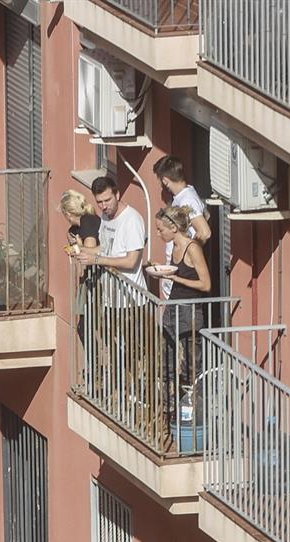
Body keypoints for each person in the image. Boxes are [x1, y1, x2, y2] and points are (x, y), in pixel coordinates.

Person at [144, 205, 212, 424]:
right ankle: (167, 411)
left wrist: (175, 279)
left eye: (160, 229)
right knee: (166, 363)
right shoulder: (174, 246)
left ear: (173, 228)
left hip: (189, 311)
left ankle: (194, 416)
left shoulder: (192, 248)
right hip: (172, 308)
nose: (158, 233)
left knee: (192, 366)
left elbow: (206, 284)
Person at [82, 175, 147, 286]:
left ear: (117, 195)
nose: (104, 206)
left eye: (107, 200)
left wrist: (96, 260)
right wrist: (81, 250)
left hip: (129, 293)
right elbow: (105, 248)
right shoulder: (105, 215)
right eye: (99, 202)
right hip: (110, 291)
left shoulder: (132, 220)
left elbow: (131, 261)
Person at [153, 156, 211, 243]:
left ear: (165, 180)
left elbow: (204, 232)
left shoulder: (187, 199)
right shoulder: (184, 195)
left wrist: (188, 249)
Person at [58, 189, 101, 259]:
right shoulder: (79, 225)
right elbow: (70, 233)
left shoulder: (88, 221)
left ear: (68, 214)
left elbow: (89, 255)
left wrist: (78, 247)